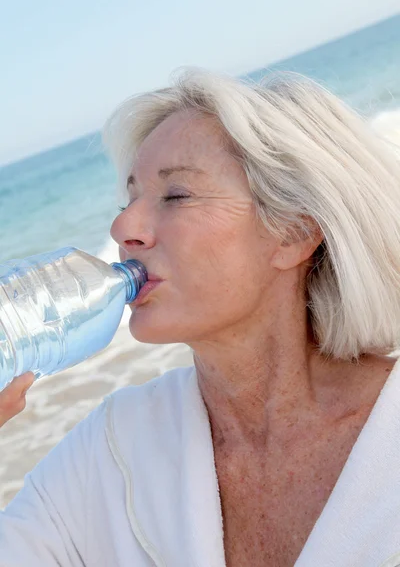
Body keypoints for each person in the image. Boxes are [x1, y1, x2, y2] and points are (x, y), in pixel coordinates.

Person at [1, 68, 400, 567]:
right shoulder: (111, 452)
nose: (123, 226)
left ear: (295, 233)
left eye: (176, 195)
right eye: (129, 200)